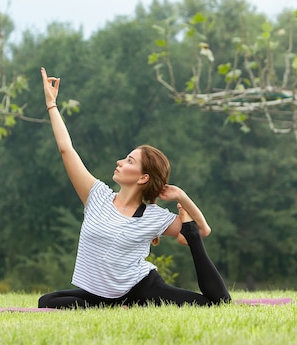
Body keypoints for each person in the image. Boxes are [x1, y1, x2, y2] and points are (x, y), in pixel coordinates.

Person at [38, 67, 231, 309]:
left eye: (129, 161)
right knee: (47, 301)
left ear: (142, 178)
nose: (119, 162)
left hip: (144, 288)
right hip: (100, 293)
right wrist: (51, 105)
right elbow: (67, 149)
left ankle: (125, 305)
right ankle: (116, 307)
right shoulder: (96, 195)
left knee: (216, 302)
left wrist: (182, 196)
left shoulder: (153, 216)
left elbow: (202, 231)